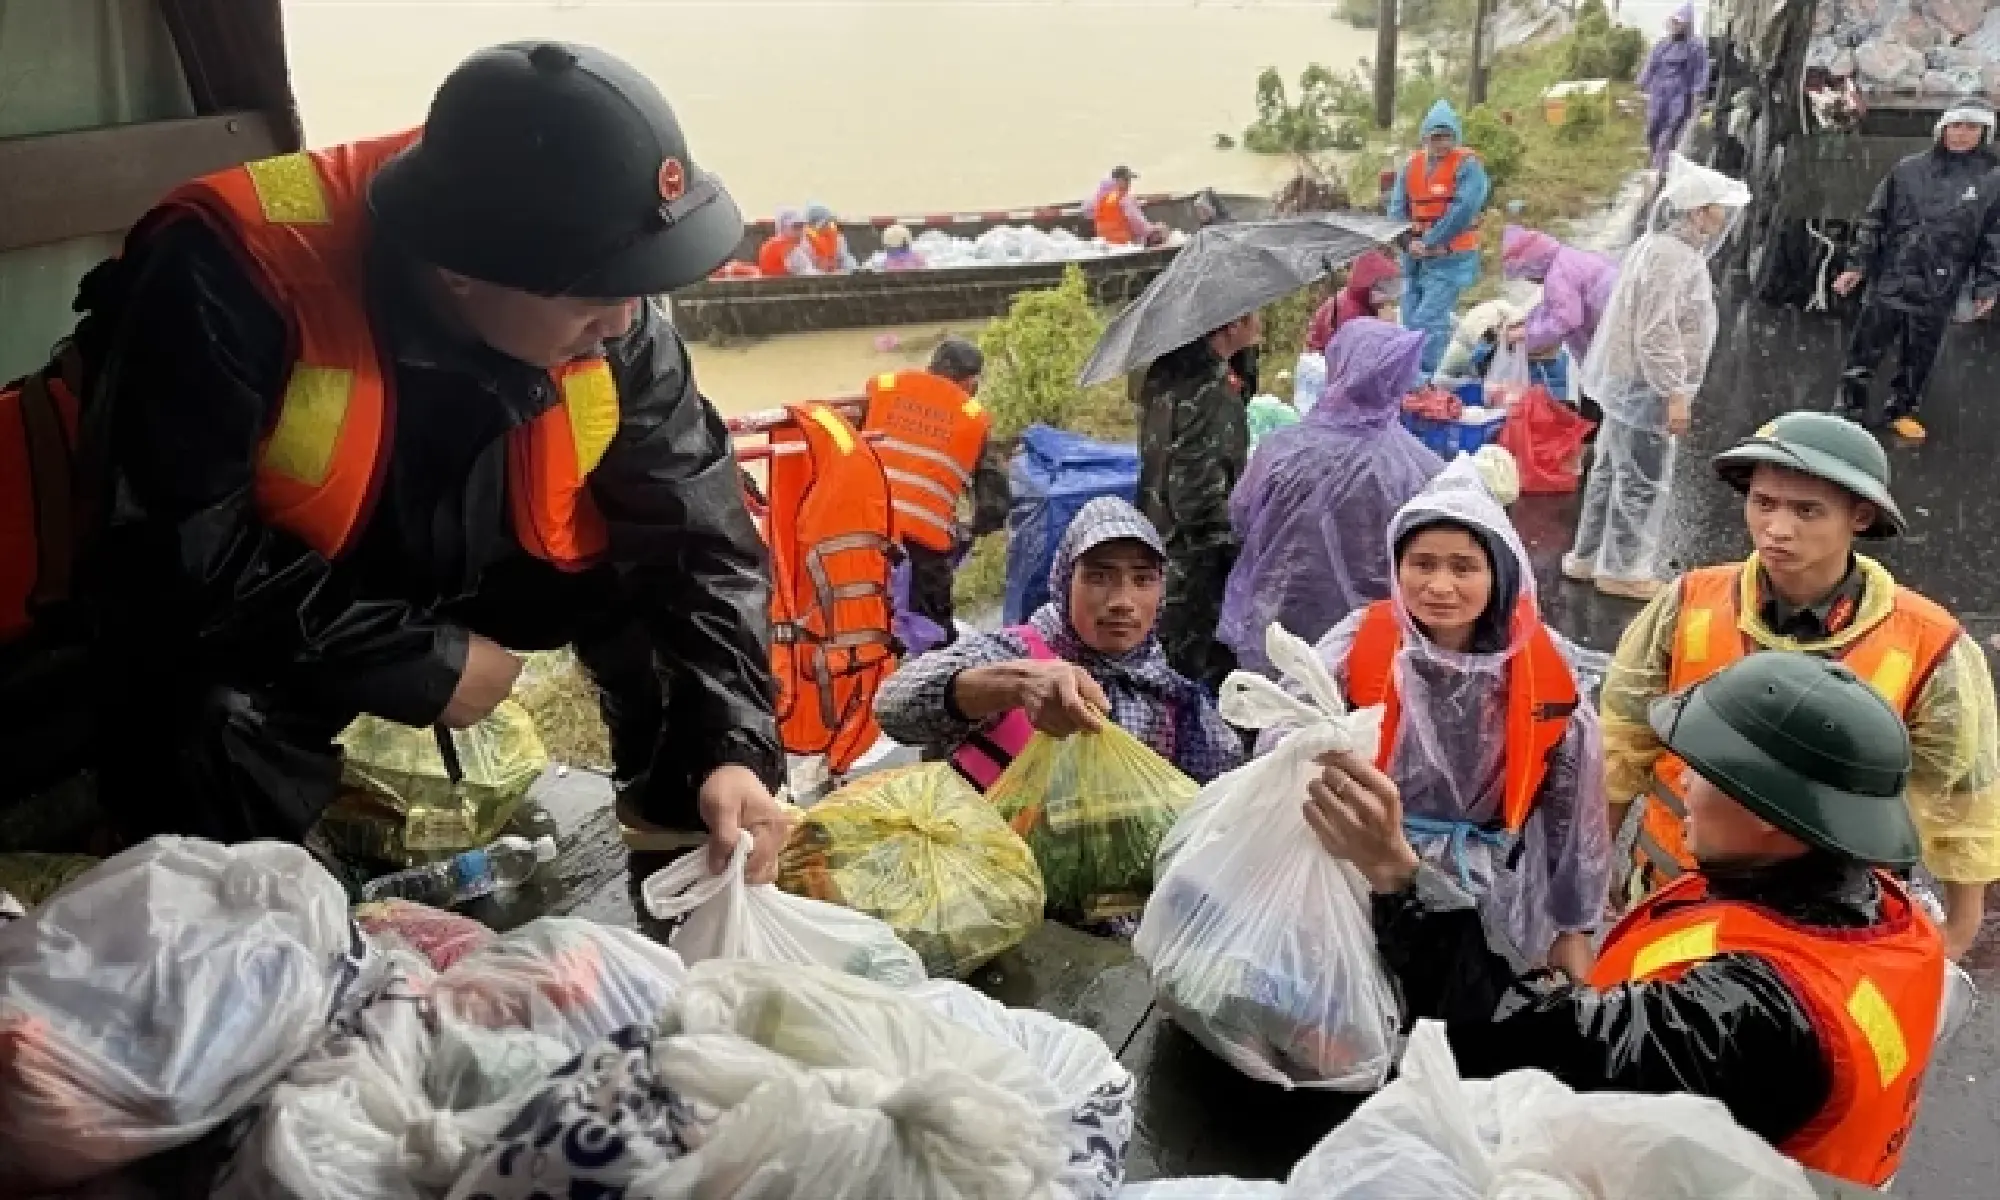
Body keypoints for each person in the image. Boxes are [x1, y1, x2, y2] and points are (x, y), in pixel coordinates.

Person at [0, 43, 794, 881]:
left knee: (663, 604)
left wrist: (732, 744)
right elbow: (165, 562)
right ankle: (263, 901)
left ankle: (685, 843)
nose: (626, 322)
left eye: (640, 286)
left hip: (439, 551)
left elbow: (698, 534)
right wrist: (424, 662)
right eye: (598, 297)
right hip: (205, 603)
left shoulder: (597, 292)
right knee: (205, 713)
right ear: (460, 270)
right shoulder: (223, 279)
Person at [1308, 651, 1947, 1189]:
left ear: (1767, 814)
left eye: (1707, 770)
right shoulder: (1881, 914)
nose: (1683, 782)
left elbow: (1535, 1045)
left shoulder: (1760, 1016)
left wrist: (1399, 876)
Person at [1598, 410, 2000, 959]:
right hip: (1673, 906)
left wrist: (1956, 931)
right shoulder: (1688, 603)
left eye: (1807, 510)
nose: (1778, 528)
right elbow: (1619, 744)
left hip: (1831, 936)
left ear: (1860, 516)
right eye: (1763, 503)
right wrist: (1590, 873)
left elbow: (1965, 799)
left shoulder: (1930, 644)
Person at [1278, 459, 1610, 975]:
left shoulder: (1542, 667)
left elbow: (1574, 804)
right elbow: (1285, 724)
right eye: (1422, 563)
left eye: (1463, 567)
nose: (1439, 585)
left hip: (1488, 888)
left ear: (1500, 574)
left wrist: (1573, 926)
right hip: (1366, 871)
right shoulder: (1361, 641)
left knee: (1469, 1004)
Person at [873, 496, 1243, 789]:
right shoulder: (1016, 655)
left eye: (1142, 580)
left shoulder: (1172, 700)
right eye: (1099, 577)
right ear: (1065, 582)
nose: (1122, 601)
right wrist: (1014, 686)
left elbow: (1224, 794)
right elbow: (893, 708)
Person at [1564, 158, 1747, 600]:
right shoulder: (1673, 258)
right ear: (1698, 211)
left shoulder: (1657, 248)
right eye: (1718, 208)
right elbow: (1657, 331)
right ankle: (1623, 570)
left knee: (1611, 470)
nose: (1723, 217)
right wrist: (1675, 392)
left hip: (1630, 381)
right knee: (1641, 478)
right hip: (1646, 388)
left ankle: (1588, 556)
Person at [1218, 319, 1445, 674]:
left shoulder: (1281, 449)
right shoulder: (1420, 467)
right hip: (1372, 635)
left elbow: (1241, 518)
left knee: (1279, 705)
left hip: (1280, 621)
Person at [1831, 97, 2000, 443]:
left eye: (1971, 127)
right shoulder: (1908, 170)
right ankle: (1848, 407)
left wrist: (1986, 285)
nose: (1962, 134)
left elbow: (1993, 238)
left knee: (1920, 352)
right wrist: (1858, 265)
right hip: (1893, 274)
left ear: (1984, 132)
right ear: (1942, 129)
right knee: (1867, 345)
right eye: (1956, 125)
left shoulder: (1992, 180)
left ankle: (1902, 409)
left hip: (1941, 283)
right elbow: (1875, 219)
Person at [1136, 310, 1264, 692]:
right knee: (1186, 678)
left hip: (1156, 534)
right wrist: (1243, 539)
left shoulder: (1167, 370)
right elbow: (1197, 499)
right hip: (1193, 565)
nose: (1261, 323)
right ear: (1232, 323)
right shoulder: (1210, 393)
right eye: (1254, 314)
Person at [861, 337, 1003, 645]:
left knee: (859, 618)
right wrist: (973, 530)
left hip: (865, 527)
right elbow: (994, 502)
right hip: (922, 545)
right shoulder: (972, 417)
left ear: (931, 367)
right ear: (971, 382)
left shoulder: (885, 386)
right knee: (933, 637)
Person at [1387, 99, 1491, 376]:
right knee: (1409, 317)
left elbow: (1463, 210)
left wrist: (1431, 241)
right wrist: (1408, 242)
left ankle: (1429, 379)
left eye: (1447, 137)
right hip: (1414, 256)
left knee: (1428, 319)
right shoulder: (1411, 165)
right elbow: (1396, 210)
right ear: (1425, 137)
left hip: (1450, 257)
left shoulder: (1468, 165)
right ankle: (1417, 373)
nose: (1442, 143)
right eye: (1436, 137)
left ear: (1456, 136)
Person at [1500, 224, 1617, 419]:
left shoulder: (1558, 275)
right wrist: (1528, 322)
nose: (1529, 280)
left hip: (1609, 331)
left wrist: (1526, 334)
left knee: (1602, 390)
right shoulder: (1565, 258)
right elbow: (1555, 306)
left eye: (1526, 274)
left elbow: (1565, 320)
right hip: (1612, 321)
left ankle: (1598, 428)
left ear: (1532, 264)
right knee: (1600, 384)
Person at [1636, 4, 1709, 175]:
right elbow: (1651, 64)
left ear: (1687, 24)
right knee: (1652, 129)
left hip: (1679, 96)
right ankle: (1655, 159)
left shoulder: (1696, 47)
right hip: (1658, 93)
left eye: (1679, 23)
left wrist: (1697, 94)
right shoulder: (1663, 44)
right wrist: (1642, 82)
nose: (1675, 26)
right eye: (1674, 22)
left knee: (1668, 133)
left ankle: (1660, 170)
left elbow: (1701, 71)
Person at [1304, 249, 1401, 355]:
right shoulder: (1351, 314)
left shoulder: (1360, 300)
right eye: (1383, 288)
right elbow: (1358, 356)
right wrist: (1385, 328)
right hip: (1324, 356)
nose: (1389, 297)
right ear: (1370, 286)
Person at [1091, 165, 1163, 247]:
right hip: (1123, 244)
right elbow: (1140, 226)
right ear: (1119, 181)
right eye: (1127, 180)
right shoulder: (1125, 200)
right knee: (1161, 232)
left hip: (1104, 243)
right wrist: (1155, 229)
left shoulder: (1103, 199)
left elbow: (1090, 211)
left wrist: (1141, 202)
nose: (1129, 184)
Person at [757, 208, 815, 276]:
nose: (801, 230)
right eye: (796, 226)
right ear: (784, 228)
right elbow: (802, 271)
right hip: (779, 281)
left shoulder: (796, 243)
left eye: (802, 225)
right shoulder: (782, 244)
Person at [803, 202, 858, 273]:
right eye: (824, 222)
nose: (828, 225)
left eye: (828, 222)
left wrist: (848, 270)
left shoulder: (838, 238)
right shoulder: (804, 241)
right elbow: (804, 267)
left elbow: (847, 259)